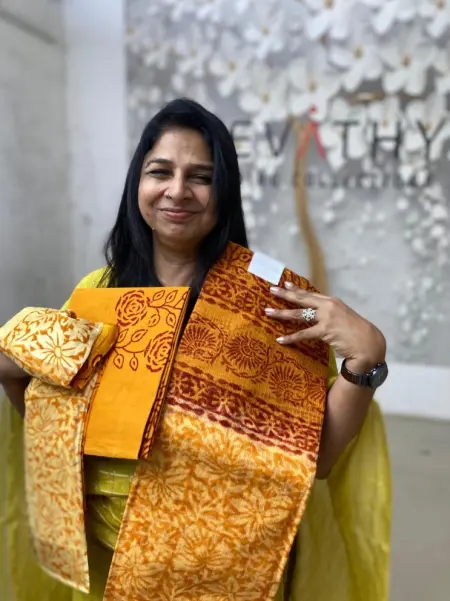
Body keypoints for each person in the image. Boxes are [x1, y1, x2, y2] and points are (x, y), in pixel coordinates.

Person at [0, 98, 391, 601]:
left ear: (224, 191)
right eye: (160, 171)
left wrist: (364, 361)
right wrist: (16, 370)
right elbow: (55, 425)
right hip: (111, 568)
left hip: (230, 577)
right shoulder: (99, 291)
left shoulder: (272, 302)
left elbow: (314, 460)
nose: (177, 190)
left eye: (201, 177)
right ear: (137, 184)